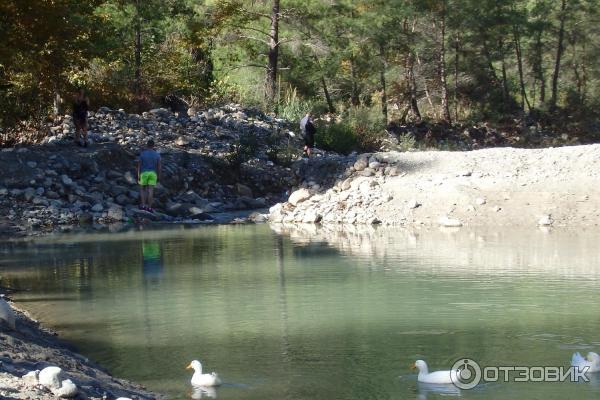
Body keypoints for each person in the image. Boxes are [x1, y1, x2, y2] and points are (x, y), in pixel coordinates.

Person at [137, 139, 161, 213]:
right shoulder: (157, 155)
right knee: (151, 191)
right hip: (153, 174)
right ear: (153, 146)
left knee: (142, 189)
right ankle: (149, 208)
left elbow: (139, 165)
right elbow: (159, 167)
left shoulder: (143, 154)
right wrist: (159, 176)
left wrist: (138, 174)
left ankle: (143, 205)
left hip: (144, 173)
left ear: (147, 145)